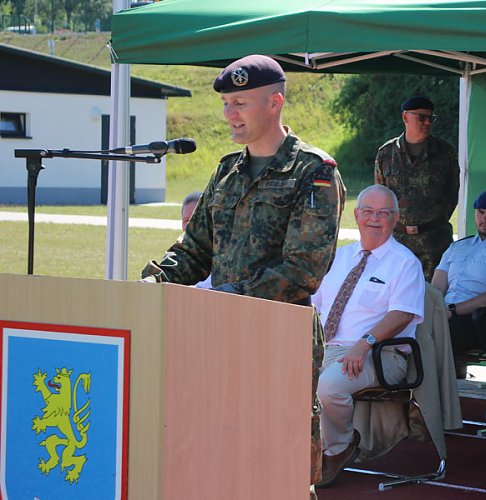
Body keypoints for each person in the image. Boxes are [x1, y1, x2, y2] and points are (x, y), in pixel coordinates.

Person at [140, 54, 346, 499]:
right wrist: (153, 286)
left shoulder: (315, 172)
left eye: (240, 103)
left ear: (274, 103)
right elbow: (195, 251)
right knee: (217, 451)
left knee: (279, 460)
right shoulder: (227, 170)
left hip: (278, 337)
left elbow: (303, 268)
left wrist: (228, 297)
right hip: (216, 332)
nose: (229, 114)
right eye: (226, 103)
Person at [312, 184, 425, 487]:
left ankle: (338, 448)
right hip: (328, 347)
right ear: (356, 215)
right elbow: (314, 306)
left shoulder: (405, 263)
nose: (375, 219)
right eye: (368, 212)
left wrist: (364, 344)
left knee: (328, 386)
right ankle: (302, 449)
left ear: (395, 218)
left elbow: (401, 315)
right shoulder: (339, 257)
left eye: (383, 213)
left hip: (381, 352)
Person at [430, 188, 486, 379]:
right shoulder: (457, 247)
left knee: (439, 333)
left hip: (480, 322)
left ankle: (436, 393)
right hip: (446, 316)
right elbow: (436, 288)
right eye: (481, 212)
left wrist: (452, 310)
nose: (484, 219)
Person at [375, 95, 459, 280]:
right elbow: (381, 196)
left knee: (433, 300)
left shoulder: (445, 152)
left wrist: (429, 221)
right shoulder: (387, 154)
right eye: (421, 117)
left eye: (431, 118)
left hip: (434, 242)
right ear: (405, 117)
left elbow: (452, 194)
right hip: (398, 242)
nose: (427, 122)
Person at [180, 191, 211, 289]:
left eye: (194, 219)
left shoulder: (221, 251)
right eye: (186, 220)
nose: (189, 225)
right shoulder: (178, 253)